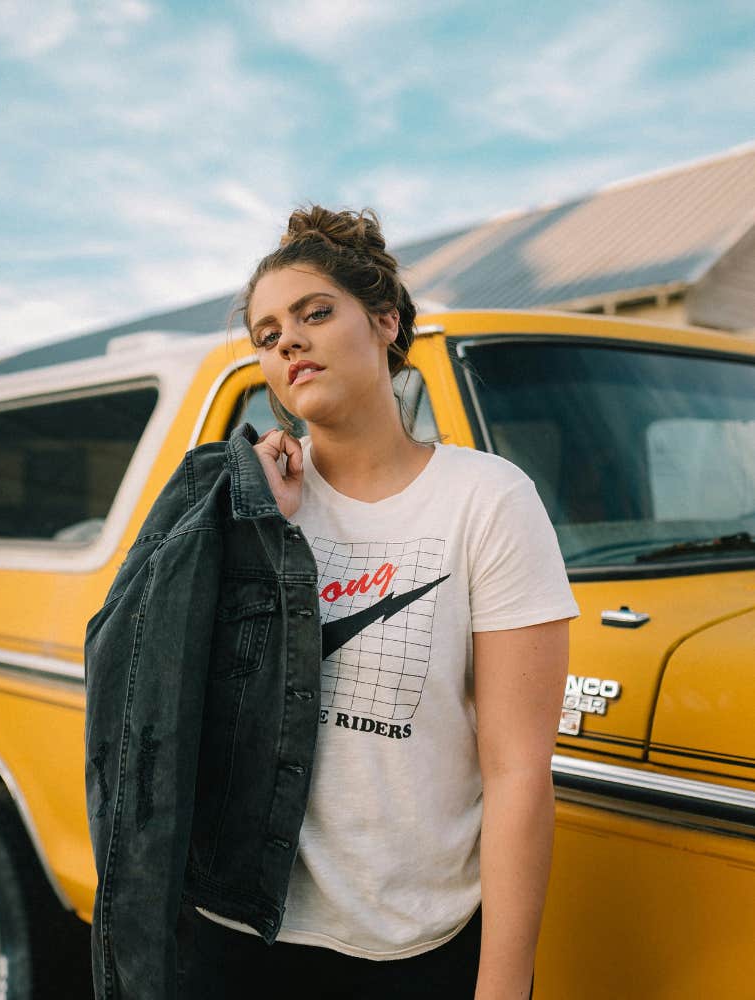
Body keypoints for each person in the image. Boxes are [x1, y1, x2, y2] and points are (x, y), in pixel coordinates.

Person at [178, 204, 581, 998]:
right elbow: (171, 705)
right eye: (267, 334)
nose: (287, 341)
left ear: (386, 322)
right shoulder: (241, 499)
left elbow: (517, 771)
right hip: (234, 933)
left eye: (315, 313)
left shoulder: (487, 500)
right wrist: (257, 532)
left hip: (413, 946)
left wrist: (504, 986)